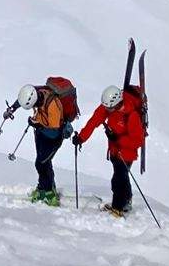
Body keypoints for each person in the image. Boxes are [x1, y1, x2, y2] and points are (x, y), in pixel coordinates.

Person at [75, 82, 147, 215]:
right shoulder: (109, 106)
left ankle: (117, 208)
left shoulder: (132, 115)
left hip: (126, 153)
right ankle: (126, 201)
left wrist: (118, 139)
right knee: (122, 177)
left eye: (109, 107)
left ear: (116, 103)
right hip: (115, 150)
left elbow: (137, 141)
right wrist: (81, 138)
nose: (106, 110)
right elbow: (94, 120)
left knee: (118, 180)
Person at [19, 76, 78, 206]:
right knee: (44, 163)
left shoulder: (52, 104)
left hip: (53, 138)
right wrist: (36, 123)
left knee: (41, 163)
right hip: (42, 134)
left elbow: (54, 128)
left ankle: (49, 193)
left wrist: (37, 124)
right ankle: (45, 187)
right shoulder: (40, 95)